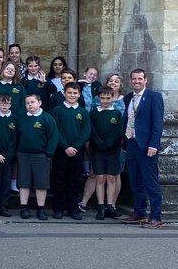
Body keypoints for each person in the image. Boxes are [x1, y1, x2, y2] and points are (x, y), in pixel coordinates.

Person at [122, 68, 164, 228]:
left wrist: (154, 144)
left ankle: (155, 216)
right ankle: (139, 212)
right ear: (130, 81)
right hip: (131, 143)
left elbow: (157, 123)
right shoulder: (128, 98)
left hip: (147, 146)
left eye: (140, 79)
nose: (137, 82)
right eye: (134, 79)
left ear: (145, 80)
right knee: (135, 181)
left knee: (150, 182)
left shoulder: (154, 97)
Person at [50, 82, 91, 220]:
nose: (72, 95)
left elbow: (86, 132)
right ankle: (58, 208)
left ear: (79, 94)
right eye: (69, 93)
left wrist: (76, 146)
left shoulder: (83, 112)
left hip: (77, 151)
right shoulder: (57, 110)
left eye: (75, 93)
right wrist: (66, 146)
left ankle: (72, 208)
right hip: (61, 150)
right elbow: (56, 130)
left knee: (74, 180)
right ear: (64, 93)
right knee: (59, 179)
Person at [16, 94, 58, 220]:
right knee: (24, 183)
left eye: (32, 102)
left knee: (41, 184)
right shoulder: (22, 118)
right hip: (23, 155)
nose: (30, 105)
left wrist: (48, 153)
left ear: (39, 103)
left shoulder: (47, 118)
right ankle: (24, 208)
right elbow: (16, 136)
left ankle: (41, 209)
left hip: (41, 156)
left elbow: (53, 136)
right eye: (27, 103)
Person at [89, 87, 124, 220]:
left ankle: (110, 205)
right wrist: (99, 143)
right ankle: (100, 207)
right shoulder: (93, 113)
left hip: (113, 150)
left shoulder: (116, 113)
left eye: (107, 98)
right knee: (100, 178)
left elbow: (119, 131)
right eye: (102, 98)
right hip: (98, 149)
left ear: (112, 98)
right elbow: (92, 130)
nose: (104, 101)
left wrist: (109, 143)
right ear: (98, 98)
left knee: (111, 178)